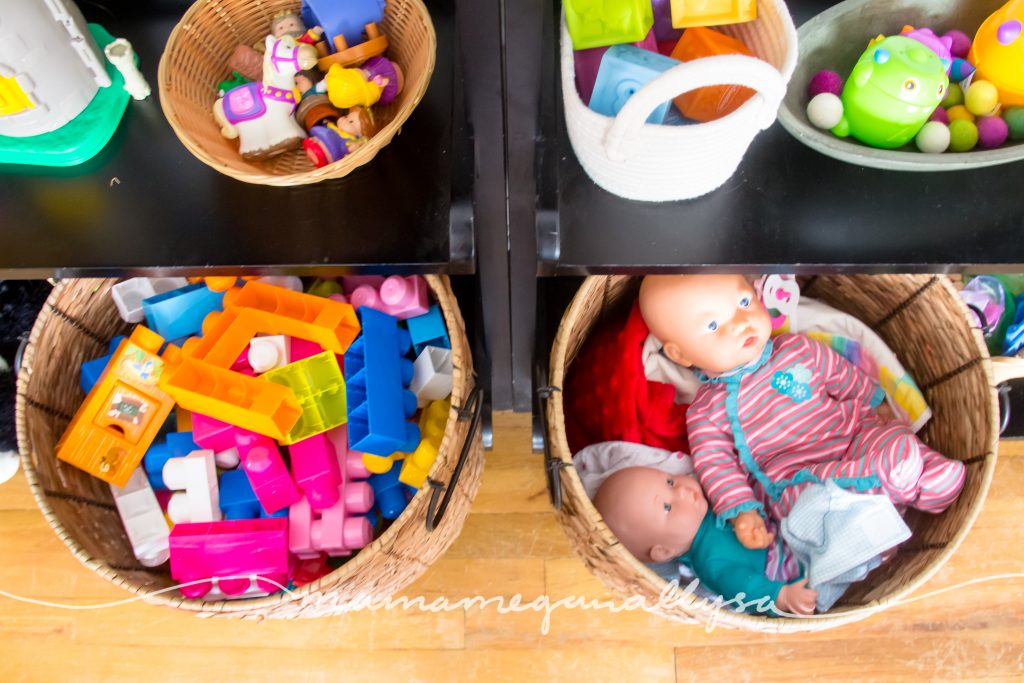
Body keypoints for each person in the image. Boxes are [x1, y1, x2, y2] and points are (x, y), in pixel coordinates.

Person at [637, 274, 965, 550]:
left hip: (852, 437)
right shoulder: (705, 411)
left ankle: (921, 481)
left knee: (894, 437)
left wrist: (876, 404)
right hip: (793, 478)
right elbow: (716, 466)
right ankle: (892, 493)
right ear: (680, 355)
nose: (740, 323)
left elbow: (845, 377)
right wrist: (741, 511)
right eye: (712, 324)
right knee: (805, 509)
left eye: (743, 303)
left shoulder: (798, 348)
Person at [594, 466, 817, 615]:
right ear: (663, 552)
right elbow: (745, 589)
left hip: (787, 523)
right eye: (667, 507)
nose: (683, 490)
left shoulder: (707, 500)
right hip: (789, 568)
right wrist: (782, 596)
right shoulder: (711, 562)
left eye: (670, 482)